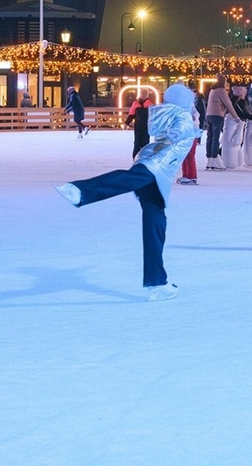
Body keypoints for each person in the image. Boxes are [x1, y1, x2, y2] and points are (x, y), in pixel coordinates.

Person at [55, 82, 196, 301]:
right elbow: (177, 134)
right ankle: (81, 190)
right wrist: (190, 131)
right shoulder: (184, 118)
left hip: (153, 165)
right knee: (129, 183)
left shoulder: (166, 112)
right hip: (156, 166)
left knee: (156, 222)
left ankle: (157, 282)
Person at [205, 77, 237, 167]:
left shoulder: (213, 90)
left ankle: (209, 160)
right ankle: (215, 159)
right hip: (217, 115)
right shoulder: (221, 90)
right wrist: (236, 117)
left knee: (210, 137)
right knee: (216, 138)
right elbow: (228, 104)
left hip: (209, 115)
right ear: (223, 82)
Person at [178, 89, 206, 184]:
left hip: (191, 132)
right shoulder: (185, 106)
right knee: (184, 154)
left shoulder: (190, 106)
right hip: (185, 132)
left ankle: (191, 176)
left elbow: (196, 116)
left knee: (189, 154)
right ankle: (186, 174)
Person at [221, 85, 247, 168]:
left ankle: (226, 156)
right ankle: (223, 155)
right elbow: (235, 109)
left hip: (238, 121)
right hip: (235, 122)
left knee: (236, 141)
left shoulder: (240, 99)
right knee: (234, 141)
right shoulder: (235, 100)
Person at [126, 90, 152, 159]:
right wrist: (126, 123)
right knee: (137, 142)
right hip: (138, 126)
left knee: (145, 142)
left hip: (146, 126)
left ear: (147, 95)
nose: (144, 95)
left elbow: (154, 116)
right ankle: (135, 158)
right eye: (142, 93)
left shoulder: (150, 104)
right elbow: (131, 114)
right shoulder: (136, 103)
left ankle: (144, 158)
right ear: (140, 94)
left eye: (145, 94)